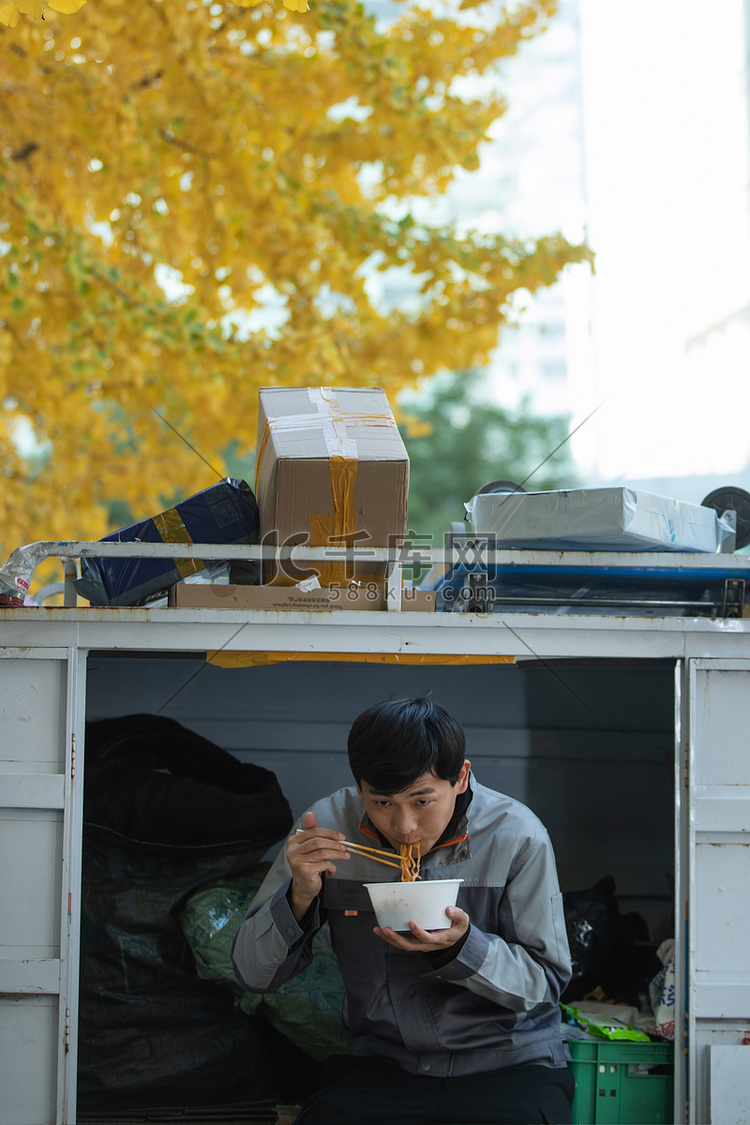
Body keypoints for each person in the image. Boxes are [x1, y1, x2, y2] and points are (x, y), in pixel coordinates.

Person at [231, 697, 573, 1125]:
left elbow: (544, 984)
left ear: (461, 778)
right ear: (360, 787)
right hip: (385, 1064)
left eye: (422, 801)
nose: (405, 826)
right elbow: (252, 974)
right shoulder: (325, 829)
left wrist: (463, 948)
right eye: (383, 803)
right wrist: (299, 893)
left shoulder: (516, 836)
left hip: (507, 1063)